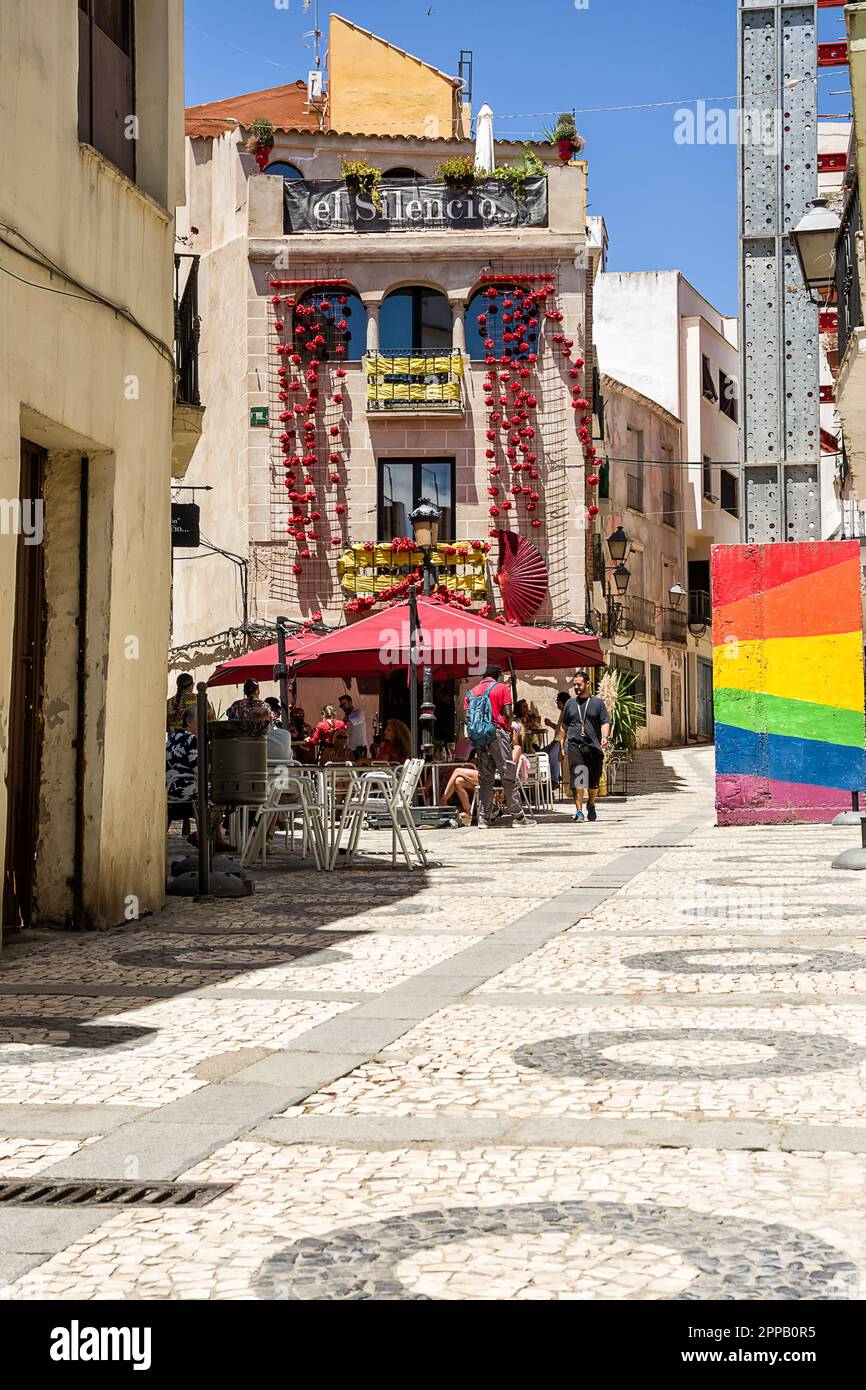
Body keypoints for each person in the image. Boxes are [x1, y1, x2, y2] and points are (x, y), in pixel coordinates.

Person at [464, 663, 533, 828]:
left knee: (485, 778)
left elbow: (467, 718)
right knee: (507, 775)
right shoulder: (501, 688)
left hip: (479, 737)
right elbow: (508, 713)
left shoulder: (470, 693)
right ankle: (517, 816)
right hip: (496, 733)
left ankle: (483, 818)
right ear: (497, 676)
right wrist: (507, 729)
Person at [165, 708, 234, 850]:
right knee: (224, 794)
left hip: (170, 789)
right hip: (184, 788)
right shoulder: (192, 739)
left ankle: (218, 839)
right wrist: (217, 769)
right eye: (201, 721)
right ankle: (202, 834)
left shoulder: (172, 738)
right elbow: (199, 769)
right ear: (189, 722)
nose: (205, 725)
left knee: (213, 790)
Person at [559, 669, 611, 824]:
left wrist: (605, 737)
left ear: (587, 684)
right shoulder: (570, 704)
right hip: (575, 745)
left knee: (594, 781)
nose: (576, 687)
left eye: (579, 684)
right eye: (574, 685)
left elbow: (605, 722)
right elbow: (564, 727)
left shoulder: (597, 703)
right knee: (579, 779)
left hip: (593, 746)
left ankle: (591, 803)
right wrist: (561, 746)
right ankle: (579, 811)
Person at [438, 757, 479, 826]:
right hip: (485, 773)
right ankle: (468, 812)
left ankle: (443, 801)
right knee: (458, 781)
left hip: (493, 775)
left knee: (457, 771)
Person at [544, 691, 570, 790]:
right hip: (557, 740)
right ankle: (549, 777)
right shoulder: (562, 713)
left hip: (564, 741)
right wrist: (550, 724)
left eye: (557, 702)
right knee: (542, 753)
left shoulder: (567, 714)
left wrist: (558, 743)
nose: (556, 704)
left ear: (561, 703)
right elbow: (559, 729)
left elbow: (564, 731)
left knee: (553, 755)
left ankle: (554, 780)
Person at [338, 694, 368, 758]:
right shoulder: (348, 716)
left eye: (344, 704)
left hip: (359, 749)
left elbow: (351, 722)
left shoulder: (358, 713)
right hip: (350, 749)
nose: (343, 707)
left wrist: (344, 721)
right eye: (341, 706)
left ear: (350, 702)